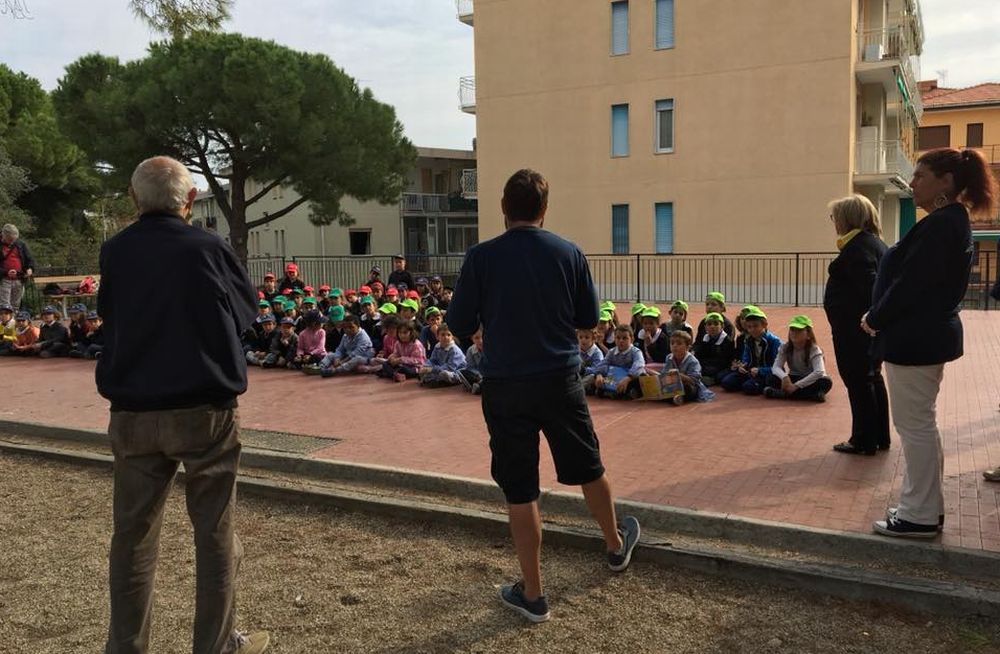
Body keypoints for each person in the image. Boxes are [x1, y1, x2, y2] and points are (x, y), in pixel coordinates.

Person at [447, 169, 640, 623]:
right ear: (544, 209)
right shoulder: (568, 252)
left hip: (505, 384)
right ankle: (615, 546)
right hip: (559, 379)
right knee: (588, 465)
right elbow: (588, 317)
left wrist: (486, 325)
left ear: (503, 208)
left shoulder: (481, 257)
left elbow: (459, 321)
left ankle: (533, 594)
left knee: (520, 488)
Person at [95, 156, 268, 653]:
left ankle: (125, 647)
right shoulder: (209, 248)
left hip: (133, 409)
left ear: (134, 198)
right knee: (215, 534)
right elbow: (246, 316)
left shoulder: (115, 251)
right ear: (190, 199)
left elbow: (110, 315)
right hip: (204, 408)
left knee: (132, 537)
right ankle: (216, 645)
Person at [867, 148, 997, 539]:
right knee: (921, 424)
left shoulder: (942, 225)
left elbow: (911, 284)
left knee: (915, 428)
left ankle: (918, 516)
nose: (912, 183)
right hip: (924, 338)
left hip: (915, 340)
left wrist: (874, 318)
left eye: (920, 175)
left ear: (946, 181)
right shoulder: (950, 222)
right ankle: (925, 508)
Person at [823, 194, 890, 455]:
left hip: (855, 331)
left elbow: (871, 288)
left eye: (835, 217)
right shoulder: (874, 244)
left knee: (859, 381)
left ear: (847, 218)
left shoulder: (858, 248)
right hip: (862, 329)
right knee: (872, 378)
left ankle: (863, 439)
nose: (834, 223)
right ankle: (879, 436)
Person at [764, 315, 834, 401]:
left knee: (826, 382)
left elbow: (819, 372)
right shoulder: (785, 347)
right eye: (792, 330)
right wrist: (784, 377)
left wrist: (796, 386)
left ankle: (784, 394)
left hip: (810, 380)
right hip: (794, 377)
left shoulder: (814, 349)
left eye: (799, 330)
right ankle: (811, 395)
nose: (794, 333)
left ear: (808, 334)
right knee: (771, 378)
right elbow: (776, 367)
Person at [719, 306, 782, 395]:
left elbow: (777, 366)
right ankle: (751, 383)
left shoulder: (774, 341)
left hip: (766, 373)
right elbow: (746, 359)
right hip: (751, 372)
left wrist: (760, 370)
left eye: (756, 326)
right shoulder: (748, 340)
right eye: (749, 327)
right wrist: (742, 367)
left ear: (764, 325)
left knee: (749, 387)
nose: (752, 330)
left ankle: (761, 385)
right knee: (726, 382)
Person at [659, 331, 715, 404]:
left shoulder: (693, 361)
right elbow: (664, 373)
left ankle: (676, 398)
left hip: (689, 385)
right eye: (672, 343)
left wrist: (679, 375)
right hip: (673, 385)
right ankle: (675, 397)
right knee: (660, 386)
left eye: (679, 344)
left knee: (689, 389)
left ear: (688, 347)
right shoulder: (669, 357)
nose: (674, 346)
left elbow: (694, 380)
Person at [594, 324, 647, 398]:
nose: (621, 341)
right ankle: (610, 391)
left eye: (624, 338)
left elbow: (638, 365)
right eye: (618, 338)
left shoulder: (636, 352)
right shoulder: (612, 352)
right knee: (598, 378)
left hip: (630, 378)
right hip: (614, 378)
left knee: (641, 377)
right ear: (614, 338)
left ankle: (628, 392)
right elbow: (603, 363)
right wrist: (599, 374)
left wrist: (628, 378)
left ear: (632, 339)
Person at [693, 312, 735, 386]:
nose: (712, 326)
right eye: (709, 324)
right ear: (705, 327)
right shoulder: (704, 339)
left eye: (716, 324)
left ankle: (711, 379)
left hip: (721, 367)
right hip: (707, 366)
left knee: (721, 376)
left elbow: (726, 361)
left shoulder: (728, 341)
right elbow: (699, 356)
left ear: (722, 326)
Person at [419, 322, 466, 386]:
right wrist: (426, 366)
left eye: (448, 335)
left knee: (445, 374)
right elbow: (433, 360)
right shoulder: (437, 347)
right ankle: (437, 380)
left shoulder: (454, 349)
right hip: (441, 369)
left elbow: (450, 367)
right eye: (443, 335)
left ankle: (438, 380)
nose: (446, 337)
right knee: (424, 371)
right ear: (437, 337)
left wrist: (432, 369)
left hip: (455, 371)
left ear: (452, 337)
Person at [0, 223, 35, 310]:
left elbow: (29, 259)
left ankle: (14, 318)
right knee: (4, 306)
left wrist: (30, 268)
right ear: (3, 235)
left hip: (19, 279)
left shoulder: (20, 244)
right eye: (10, 239)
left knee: (16, 305)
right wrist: (6, 272)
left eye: (14, 240)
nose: (12, 242)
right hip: (3, 280)